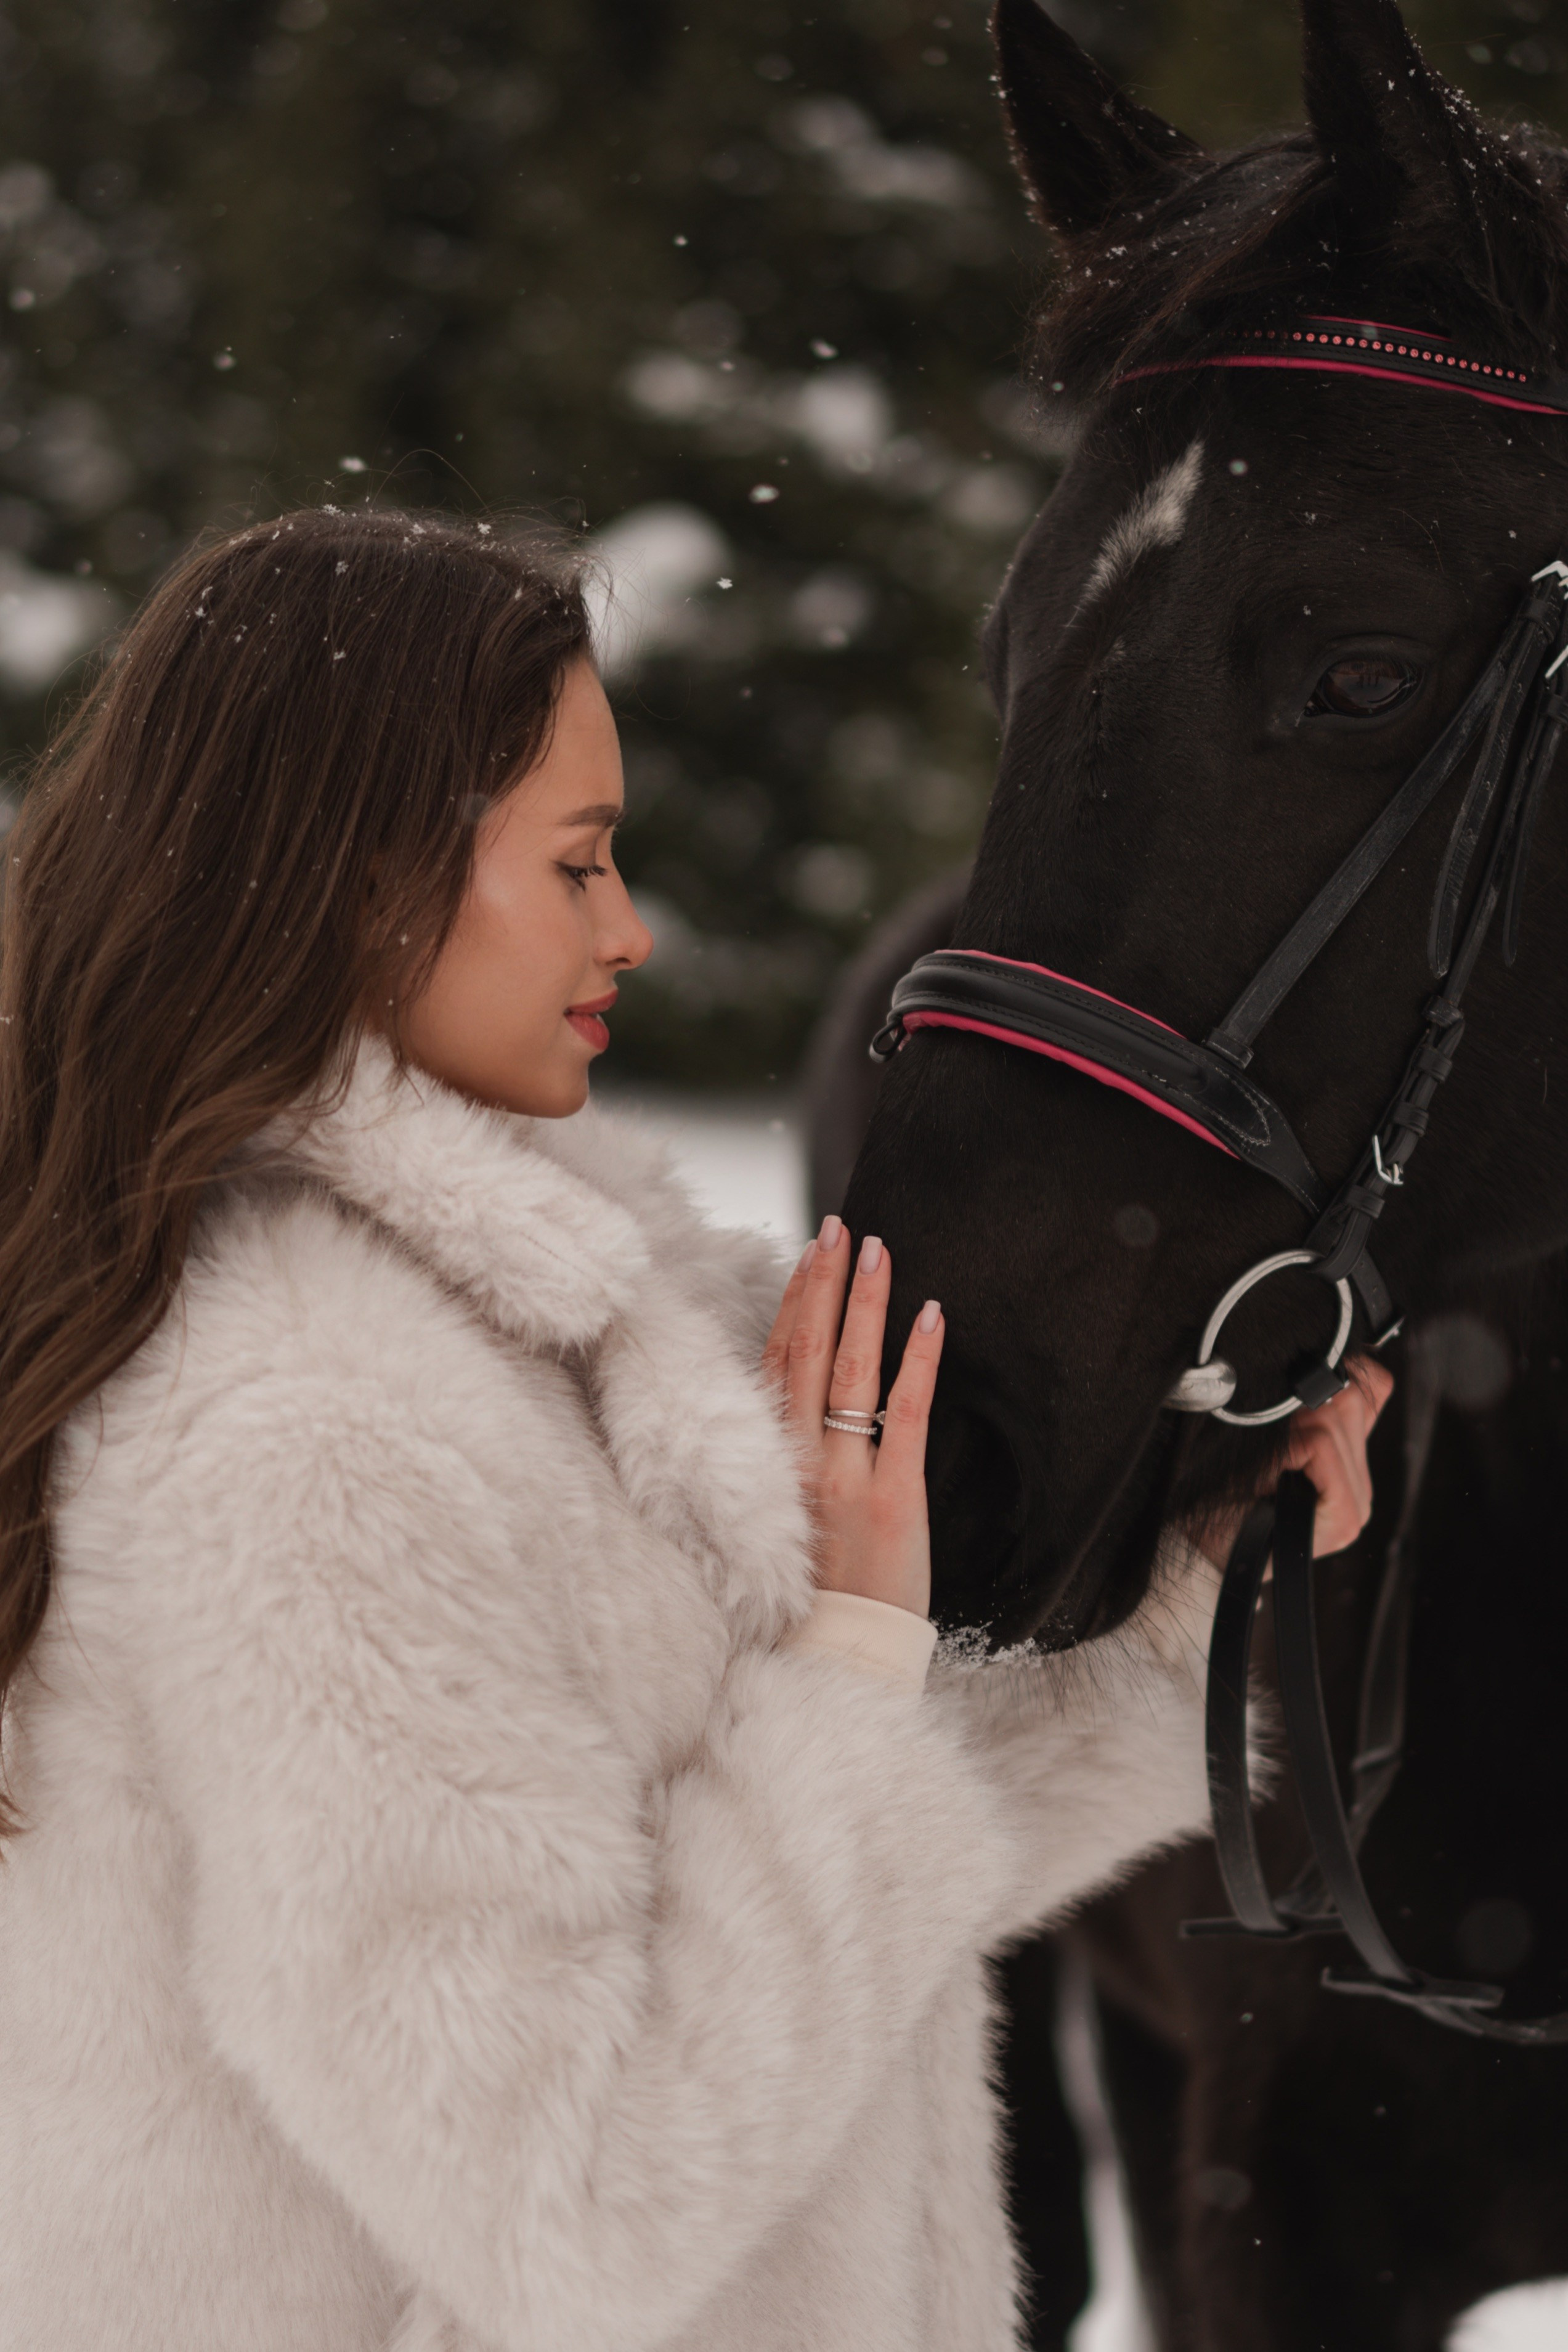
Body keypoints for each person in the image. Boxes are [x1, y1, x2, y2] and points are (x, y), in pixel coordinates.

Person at [0, 507, 1389, 2352]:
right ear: (361, 877)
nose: (628, 925)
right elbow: (572, 2198)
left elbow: (810, 1886)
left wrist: (1181, 1599)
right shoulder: (313, 1432)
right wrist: (851, 1658)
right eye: (575, 861)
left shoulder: (560, 1323)